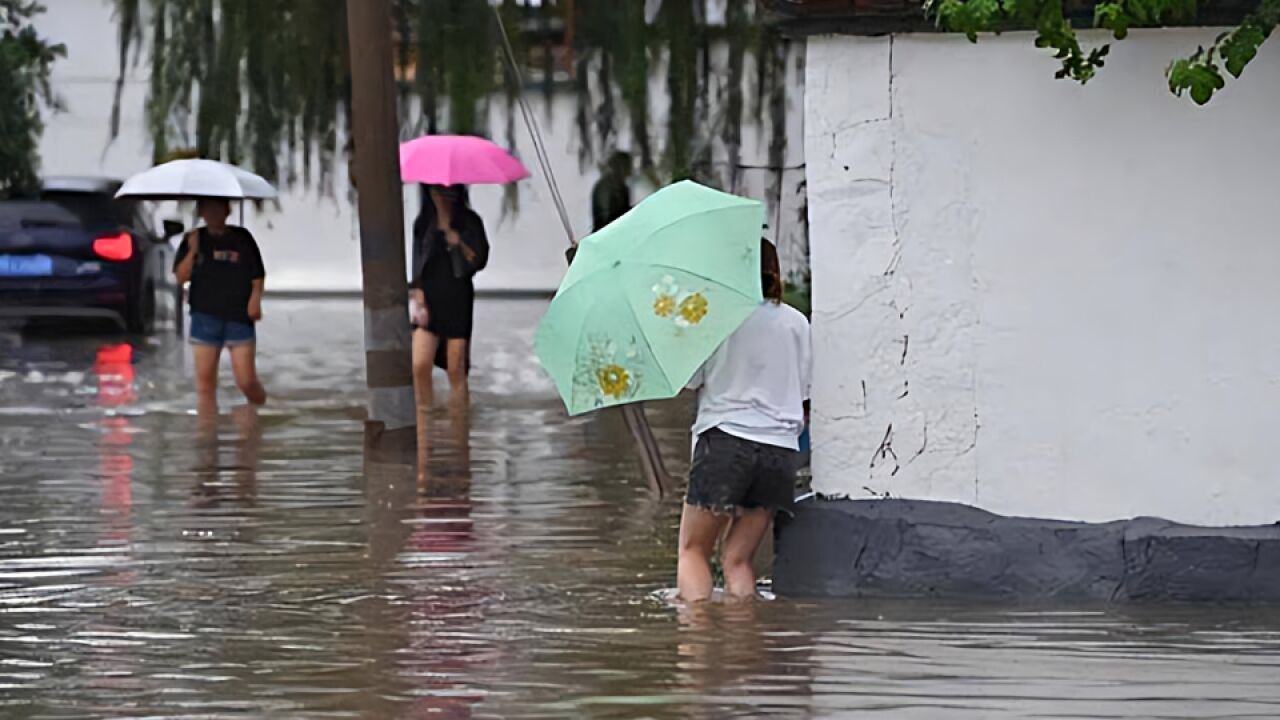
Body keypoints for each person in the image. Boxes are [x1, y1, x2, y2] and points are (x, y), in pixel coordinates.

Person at [678, 238, 811, 602]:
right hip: (779, 452)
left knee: (693, 552)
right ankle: (743, 646)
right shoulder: (797, 322)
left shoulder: (713, 318)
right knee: (738, 562)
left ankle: (696, 652)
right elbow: (805, 390)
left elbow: (689, 381)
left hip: (725, 443)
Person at [173, 198, 267, 411]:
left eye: (218, 208)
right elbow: (180, 277)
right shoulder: (193, 238)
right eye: (208, 209)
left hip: (239, 316)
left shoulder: (242, 238)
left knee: (247, 381)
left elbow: (257, 274)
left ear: (227, 210)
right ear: (202, 212)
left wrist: (255, 300)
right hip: (205, 315)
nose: (213, 214)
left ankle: (259, 411)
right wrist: (193, 250)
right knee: (205, 386)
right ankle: (207, 436)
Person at [409, 184, 489, 408]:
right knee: (419, 363)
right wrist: (417, 290)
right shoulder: (424, 223)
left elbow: (478, 260)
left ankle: (459, 421)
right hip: (429, 299)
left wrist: (459, 242)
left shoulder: (470, 222)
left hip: (457, 297)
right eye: (436, 192)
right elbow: (417, 262)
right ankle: (424, 416)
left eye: (447, 192)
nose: (442, 197)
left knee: (456, 366)